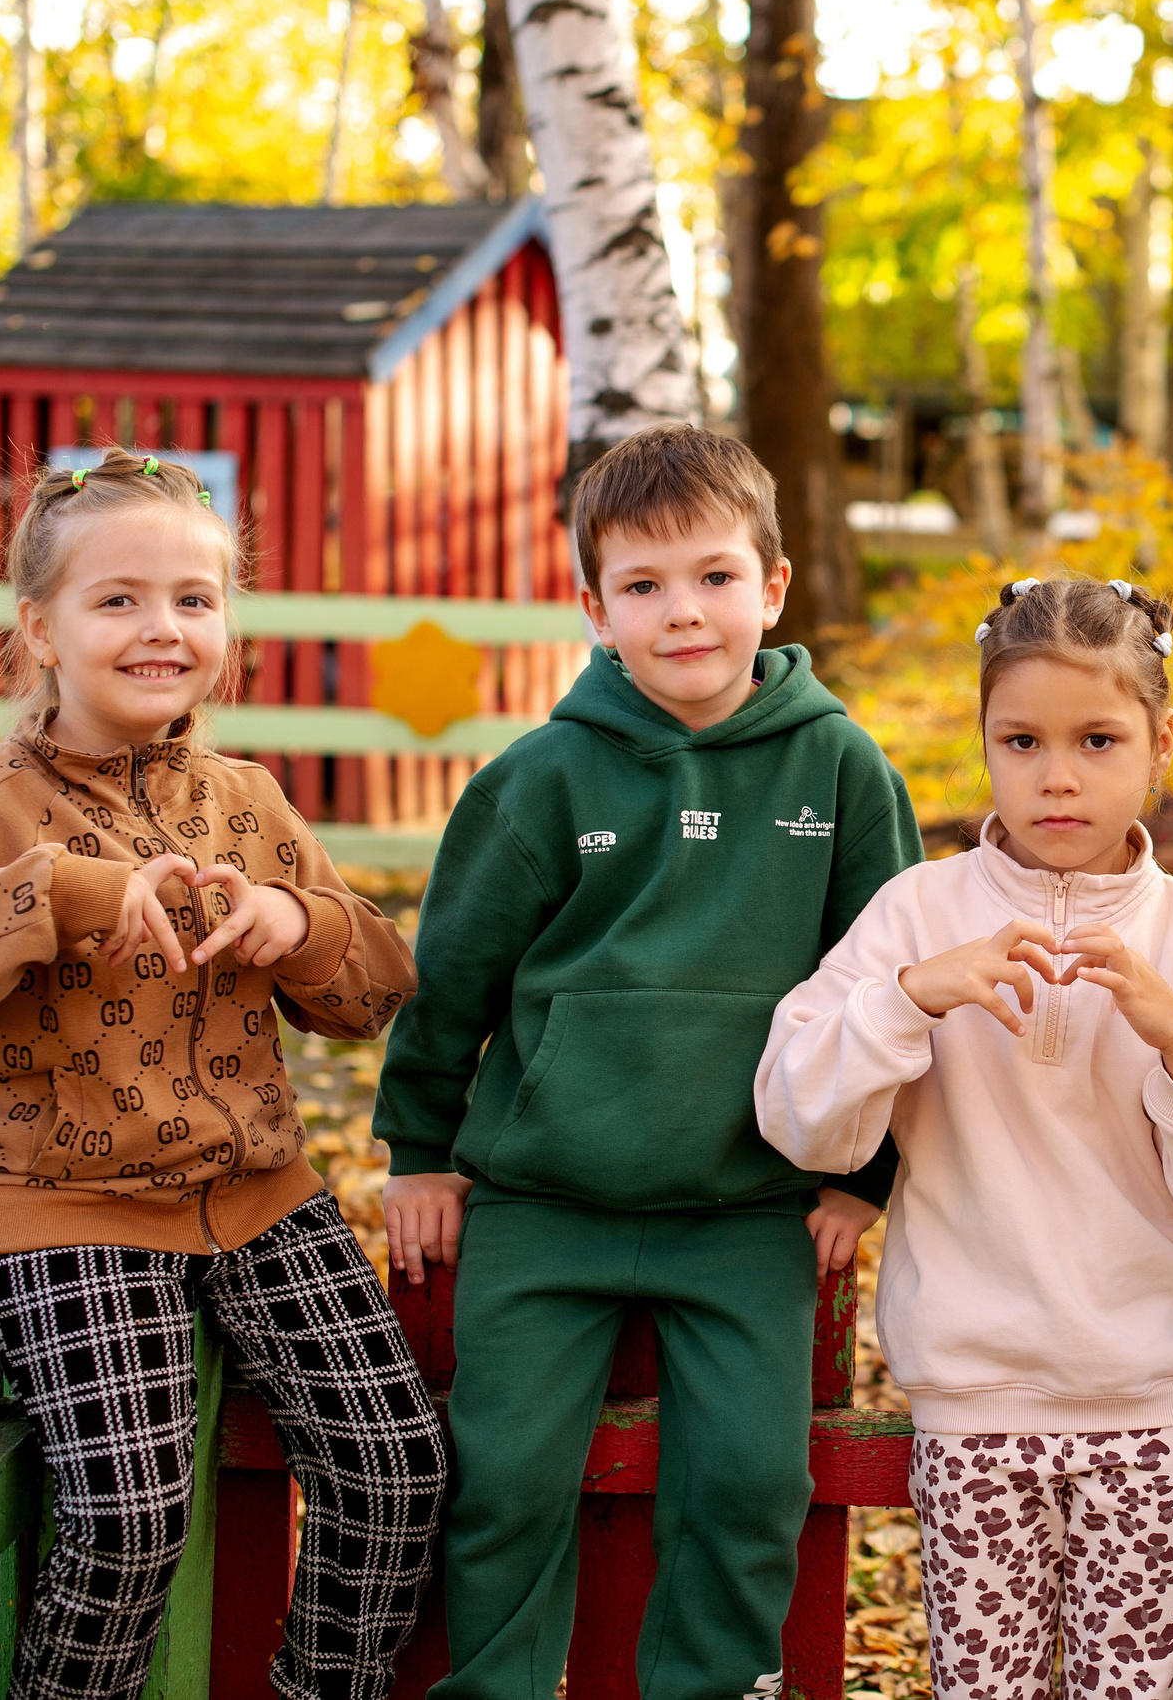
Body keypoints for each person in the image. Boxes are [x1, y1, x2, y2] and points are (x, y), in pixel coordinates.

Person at [0, 447, 441, 1700]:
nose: (163, 628)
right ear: (39, 629)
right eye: (118, 600)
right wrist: (58, 895)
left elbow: (374, 988)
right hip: (65, 1208)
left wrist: (296, 921)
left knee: (397, 1463)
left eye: (193, 600)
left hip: (258, 1195)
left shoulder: (249, 799)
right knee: (128, 1518)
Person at [372, 425, 922, 1700]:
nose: (684, 612)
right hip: (544, 1203)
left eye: (715, 577)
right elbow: (449, 976)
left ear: (771, 586)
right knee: (502, 1476)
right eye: (644, 585)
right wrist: (418, 1152)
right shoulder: (539, 777)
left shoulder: (838, 765)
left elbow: (889, 980)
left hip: (745, 1209)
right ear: (594, 607)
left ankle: (711, 1685)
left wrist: (865, 1174)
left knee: (748, 1481)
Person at [758, 575, 1173, 1700]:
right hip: (972, 1402)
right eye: (1020, 739)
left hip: (1150, 1402)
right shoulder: (917, 913)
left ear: (1160, 742)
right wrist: (911, 998)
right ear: (982, 738)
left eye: (1097, 738)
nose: (1058, 773)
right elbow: (801, 1119)